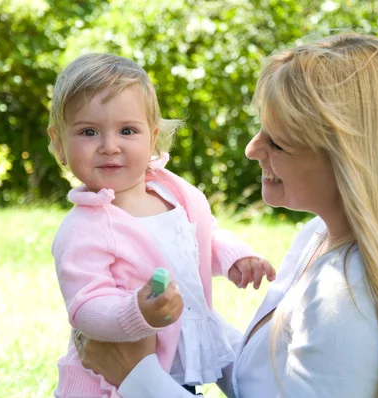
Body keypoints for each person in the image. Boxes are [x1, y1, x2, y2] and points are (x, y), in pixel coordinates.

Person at [75, 33, 378, 398]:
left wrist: (138, 376)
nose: (252, 149)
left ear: (347, 161)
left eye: (276, 142)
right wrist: (192, 330)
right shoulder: (319, 237)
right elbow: (261, 382)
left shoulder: (347, 298)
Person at [47, 53, 276, 397]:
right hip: (111, 383)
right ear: (59, 143)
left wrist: (233, 256)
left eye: (127, 130)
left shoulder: (173, 193)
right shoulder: (86, 226)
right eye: (89, 132)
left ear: (152, 137)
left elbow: (200, 237)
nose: (110, 146)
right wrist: (135, 311)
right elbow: (86, 307)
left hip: (176, 371)